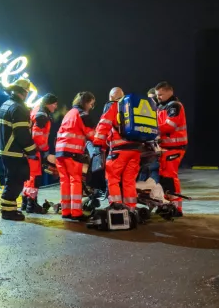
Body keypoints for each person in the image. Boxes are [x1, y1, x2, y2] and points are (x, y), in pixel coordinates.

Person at [93, 88, 142, 209]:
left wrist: (98, 143)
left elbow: (104, 124)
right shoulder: (132, 107)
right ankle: (131, 208)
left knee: (112, 178)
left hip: (119, 151)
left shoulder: (113, 106)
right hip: (135, 150)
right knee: (129, 181)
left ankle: (117, 207)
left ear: (111, 98)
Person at [0, 80, 38, 221]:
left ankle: (10, 209)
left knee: (11, 180)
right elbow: (22, 133)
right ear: (24, 92)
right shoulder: (19, 108)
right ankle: (8, 212)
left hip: (6, 150)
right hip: (14, 151)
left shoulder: (6, 105)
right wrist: (32, 150)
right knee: (15, 182)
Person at [55, 92, 96, 221]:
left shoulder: (70, 113)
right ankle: (76, 213)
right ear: (86, 102)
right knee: (75, 181)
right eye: (91, 103)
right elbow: (92, 134)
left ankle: (66, 211)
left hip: (60, 152)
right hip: (72, 152)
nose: (91, 107)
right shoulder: (83, 114)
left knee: (64, 182)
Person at [154, 81, 188, 216]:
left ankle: (177, 208)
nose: (158, 97)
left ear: (170, 92)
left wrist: (151, 130)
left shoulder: (175, 106)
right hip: (164, 148)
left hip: (174, 147)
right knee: (163, 177)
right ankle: (166, 205)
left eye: (161, 94)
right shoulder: (161, 107)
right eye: (157, 95)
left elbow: (170, 126)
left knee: (170, 177)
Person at [22, 93, 59, 214]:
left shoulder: (37, 111)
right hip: (35, 150)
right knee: (35, 178)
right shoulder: (42, 115)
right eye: (54, 104)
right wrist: (45, 151)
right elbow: (38, 135)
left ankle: (25, 202)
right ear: (49, 104)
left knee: (29, 177)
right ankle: (31, 204)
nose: (55, 107)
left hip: (29, 150)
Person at [138, 87, 161, 183]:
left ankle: (154, 192)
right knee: (145, 170)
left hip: (153, 147)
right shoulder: (146, 112)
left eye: (152, 98)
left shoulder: (159, 111)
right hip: (147, 148)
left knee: (152, 170)